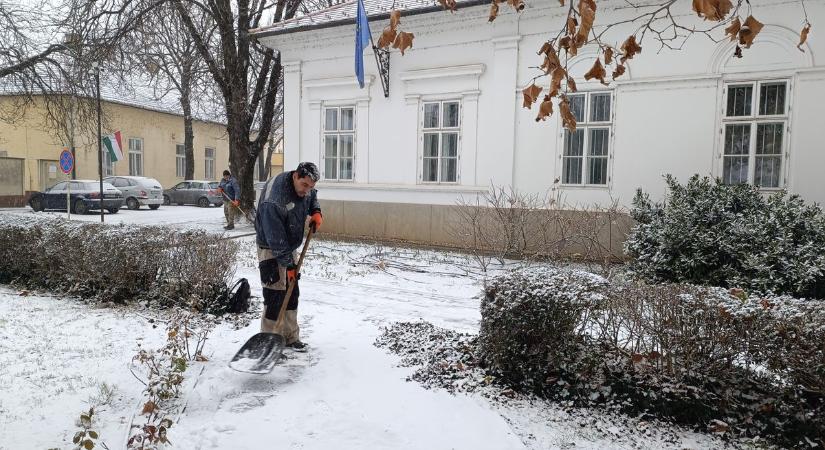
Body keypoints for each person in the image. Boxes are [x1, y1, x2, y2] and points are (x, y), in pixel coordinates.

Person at [255, 162, 322, 351]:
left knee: (292, 292)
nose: (307, 191)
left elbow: (312, 197)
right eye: (305, 186)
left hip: (289, 246)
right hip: (270, 246)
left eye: (311, 186)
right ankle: (268, 342)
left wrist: (316, 211)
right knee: (275, 294)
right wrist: (289, 266)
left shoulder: (305, 187)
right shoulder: (274, 200)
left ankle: (290, 337)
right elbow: (275, 239)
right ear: (295, 176)